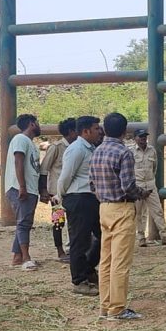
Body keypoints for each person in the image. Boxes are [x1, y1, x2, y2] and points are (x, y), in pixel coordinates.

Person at [90, 113, 151, 321]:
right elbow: (128, 186)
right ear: (125, 132)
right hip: (122, 208)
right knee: (121, 261)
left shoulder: (97, 151)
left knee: (105, 259)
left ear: (105, 129)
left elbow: (92, 183)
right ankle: (117, 308)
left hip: (103, 208)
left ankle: (105, 305)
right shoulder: (124, 153)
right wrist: (141, 193)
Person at [58, 115, 103, 296]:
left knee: (103, 236)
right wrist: (62, 196)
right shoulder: (76, 149)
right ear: (85, 131)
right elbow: (66, 176)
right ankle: (79, 281)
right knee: (79, 241)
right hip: (78, 198)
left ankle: (88, 268)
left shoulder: (90, 148)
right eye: (96, 128)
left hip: (91, 199)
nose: (99, 131)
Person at [4, 114, 43, 271]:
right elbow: (18, 161)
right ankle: (26, 258)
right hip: (20, 187)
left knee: (25, 221)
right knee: (24, 223)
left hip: (30, 188)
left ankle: (17, 257)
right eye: (38, 123)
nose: (40, 126)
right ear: (32, 124)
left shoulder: (31, 144)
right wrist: (22, 186)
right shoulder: (20, 139)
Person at [40, 117, 77, 262]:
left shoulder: (76, 147)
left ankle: (71, 249)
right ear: (70, 132)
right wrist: (43, 190)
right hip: (56, 194)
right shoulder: (56, 147)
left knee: (73, 222)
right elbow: (44, 169)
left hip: (72, 192)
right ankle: (60, 250)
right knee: (58, 221)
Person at [131, 128, 166, 247]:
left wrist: (150, 181)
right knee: (139, 213)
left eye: (144, 137)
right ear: (135, 138)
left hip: (150, 186)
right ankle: (140, 237)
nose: (143, 139)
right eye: (140, 137)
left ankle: (164, 236)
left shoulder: (152, 150)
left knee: (157, 210)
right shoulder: (131, 152)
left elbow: (154, 168)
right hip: (137, 186)